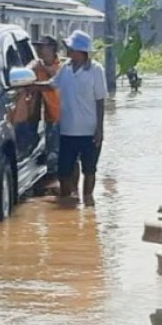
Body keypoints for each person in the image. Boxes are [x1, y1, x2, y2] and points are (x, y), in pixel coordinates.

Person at [54, 30, 108, 207]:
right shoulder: (65, 68)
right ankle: (69, 200)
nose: (66, 50)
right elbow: (52, 85)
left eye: (69, 48)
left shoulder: (96, 70)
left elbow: (100, 100)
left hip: (89, 130)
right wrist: (31, 86)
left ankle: (88, 201)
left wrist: (100, 129)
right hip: (67, 130)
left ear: (79, 51)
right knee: (64, 171)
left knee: (89, 170)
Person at [31, 36, 62, 190]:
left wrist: (42, 69)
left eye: (42, 47)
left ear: (52, 48)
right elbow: (26, 72)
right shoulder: (38, 66)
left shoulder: (63, 66)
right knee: (52, 153)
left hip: (67, 117)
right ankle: (54, 185)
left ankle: (63, 187)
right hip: (50, 117)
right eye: (37, 47)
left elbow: (53, 83)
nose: (39, 50)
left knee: (64, 155)